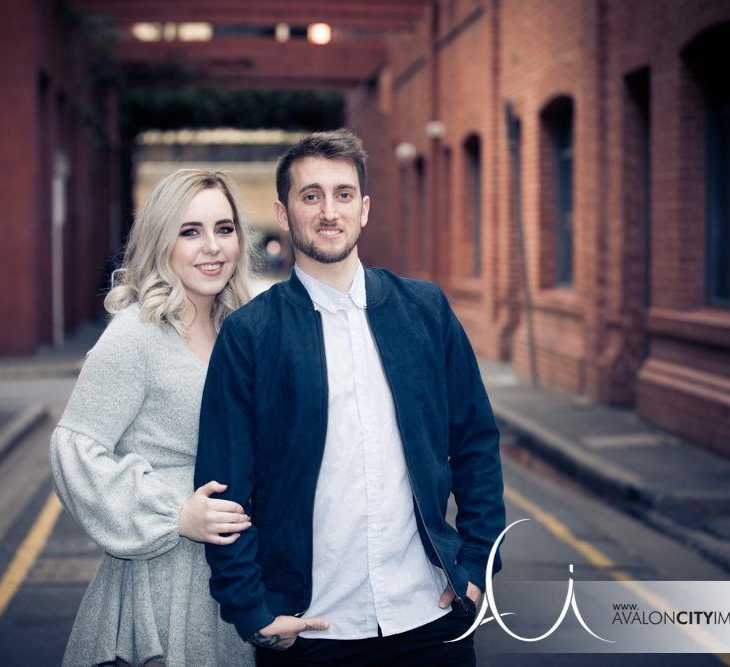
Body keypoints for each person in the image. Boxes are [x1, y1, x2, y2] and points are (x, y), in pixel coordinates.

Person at [193, 129, 506, 666]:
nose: (328, 211)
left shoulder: (425, 311)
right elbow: (223, 488)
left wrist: (477, 567)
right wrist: (252, 610)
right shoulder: (251, 335)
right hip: (312, 631)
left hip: (431, 618)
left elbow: (475, 443)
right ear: (284, 212)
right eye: (310, 196)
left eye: (342, 195)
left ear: (364, 209)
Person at [50, 169, 256, 667]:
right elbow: (73, 452)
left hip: (244, 579)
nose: (212, 247)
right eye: (191, 232)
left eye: (223, 229)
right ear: (161, 242)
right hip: (165, 586)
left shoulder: (246, 329)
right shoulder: (136, 333)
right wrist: (174, 515)